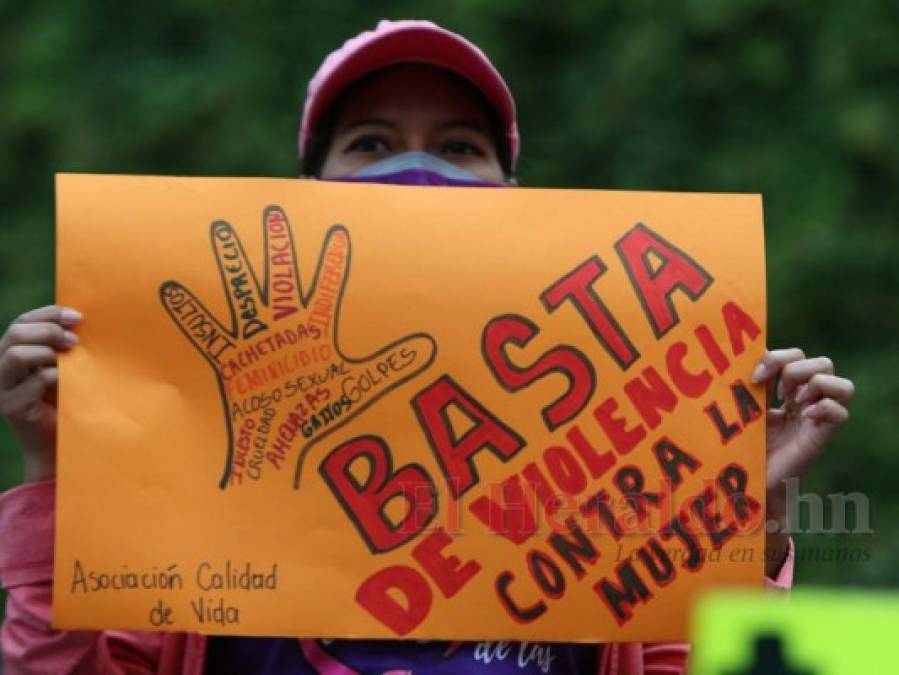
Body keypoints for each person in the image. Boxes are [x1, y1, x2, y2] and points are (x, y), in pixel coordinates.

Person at [0, 19, 855, 675]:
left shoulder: (615, 465)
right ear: (304, 194)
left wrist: (748, 523)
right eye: (370, 143)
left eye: (458, 148)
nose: (418, 172)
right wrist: (56, 477)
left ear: (517, 200)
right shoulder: (192, 453)